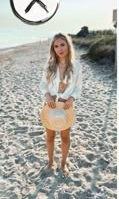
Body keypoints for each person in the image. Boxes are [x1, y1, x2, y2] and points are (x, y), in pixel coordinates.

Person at [39, 33, 82, 177]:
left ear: (68, 46)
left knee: (65, 137)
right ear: (53, 48)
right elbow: (42, 84)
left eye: (62, 45)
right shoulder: (49, 65)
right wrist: (47, 95)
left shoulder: (76, 66)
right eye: (56, 46)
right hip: (50, 106)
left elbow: (78, 87)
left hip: (65, 107)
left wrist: (72, 98)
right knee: (49, 136)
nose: (59, 49)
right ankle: (50, 162)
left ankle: (63, 163)